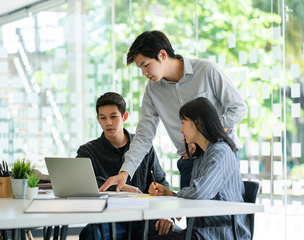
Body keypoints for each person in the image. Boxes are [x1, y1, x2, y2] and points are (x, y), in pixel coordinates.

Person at [100, 30, 247, 192]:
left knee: (221, 213)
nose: (144, 73)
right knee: (191, 215)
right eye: (140, 68)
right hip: (189, 162)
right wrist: (124, 172)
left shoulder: (206, 70)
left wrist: (205, 134)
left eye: (146, 65)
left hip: (220, 157)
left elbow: (238, 108)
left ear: (162, 55)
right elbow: (144, 136)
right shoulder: (153, 90)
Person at [147, 97, 251, 240]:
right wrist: (169, 194)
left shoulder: (220, 152)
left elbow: (199, 192)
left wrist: (173, 195)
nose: (181, 130)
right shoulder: (203, 155)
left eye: (183, 123)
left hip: (219, 233)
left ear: (198, 122)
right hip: (201, 231)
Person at [77, 92, 176, 240]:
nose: (108, 122)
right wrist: (118, 187)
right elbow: (81, 182)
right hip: (109, 219)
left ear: (124, 117)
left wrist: (167, 215)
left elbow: (161, 182)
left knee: (172, 230)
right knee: (89, 235)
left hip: (145, 218)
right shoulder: (88, 151)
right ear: (98, 119)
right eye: (103, 118)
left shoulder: (143, 147)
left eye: (113, 116)